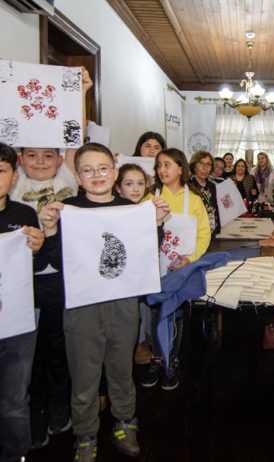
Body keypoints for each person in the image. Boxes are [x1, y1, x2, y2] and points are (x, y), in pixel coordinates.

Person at [38, 143, 169, 461]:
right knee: (83, 378)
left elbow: (144, 254)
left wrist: (156, 224)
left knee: (122, 371)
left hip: (123, 304)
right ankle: (85, 436)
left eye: (102, 168)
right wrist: (51, 231)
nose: (96, 175)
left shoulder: (131, 208)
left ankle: (125, 422)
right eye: (87, 170)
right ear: (78, 177)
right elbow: (56, 260)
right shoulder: (67, 210)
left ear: (114, 172)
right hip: (81, 307)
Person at [9, 68, 93, 449]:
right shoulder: (13, 184)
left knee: (60, 347)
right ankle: (37, 411)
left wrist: (81, 92)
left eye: (48, 155)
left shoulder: (68, 179)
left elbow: (74, 136)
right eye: (31, 155)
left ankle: (60, 406)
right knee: (33, 353)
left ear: (60, 160)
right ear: (19, 160)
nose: (40, 162)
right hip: (24, 282)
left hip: (62, 278)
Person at [142, 148, 210, 391]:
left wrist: (189, 259)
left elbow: (204, 234)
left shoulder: (194, 200)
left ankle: (172, 358)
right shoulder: (148, 199)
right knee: (155, 314)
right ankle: (157, 358)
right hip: (154, 269)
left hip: (181, 269)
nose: (162, 169)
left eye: (167, 164)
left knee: (176, 314)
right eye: (159, 165)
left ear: (181, 168)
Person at [0, 143, 45, 462]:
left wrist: (39, 246)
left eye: (1, 170)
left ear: (14, 177)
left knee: (15, 399)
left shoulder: (24, 215)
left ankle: (16, 454)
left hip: (17, 322)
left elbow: (35, 268)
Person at [114, 164, 153, 365]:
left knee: (138, 313)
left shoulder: (146, 210)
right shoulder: (113, 211)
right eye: (129, 184)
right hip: (118, 279)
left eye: (140, 183)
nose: (136, 189)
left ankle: (138, 346)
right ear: (118, 188)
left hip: (139, 276)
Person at [189, 150, 221, 236]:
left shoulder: (212, 186)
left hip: (211, 227)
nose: (205, 167)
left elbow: (215, 206)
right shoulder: (188, 185)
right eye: (201, 163)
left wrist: (217, 227)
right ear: (194, 166)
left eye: (208, 164)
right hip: (195, 229)